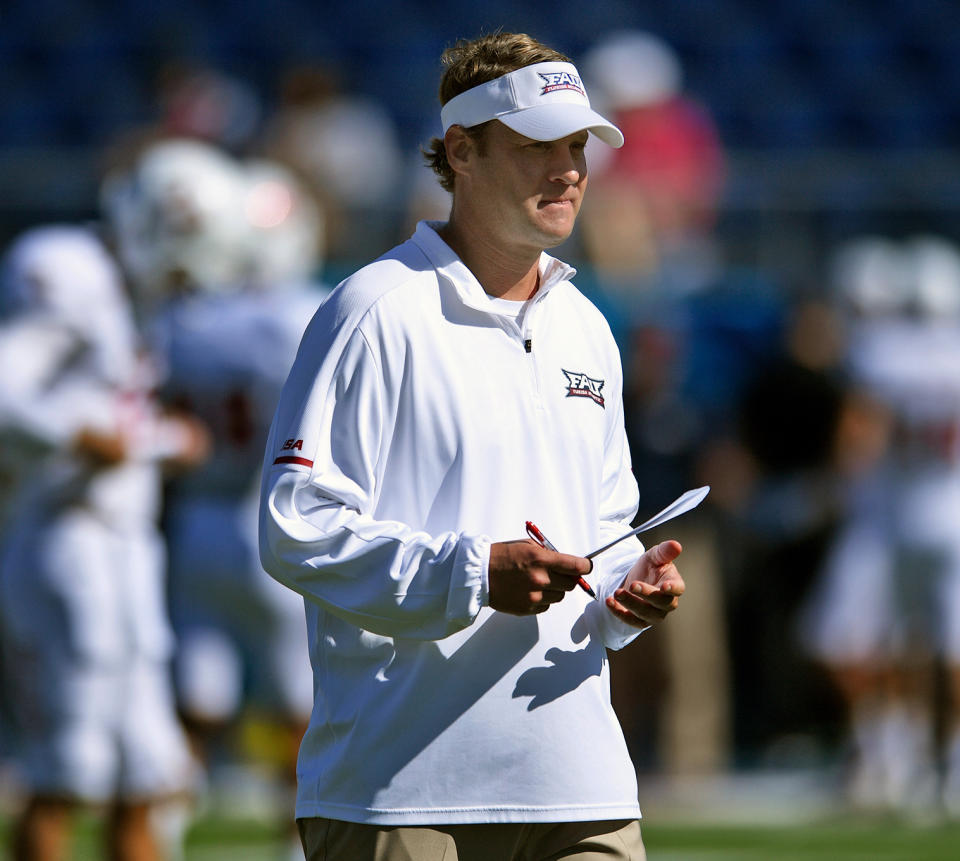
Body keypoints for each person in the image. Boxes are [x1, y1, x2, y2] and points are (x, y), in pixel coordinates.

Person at [259, 32, 687, 861]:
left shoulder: (587, 326)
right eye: (536, 146)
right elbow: (296, 526)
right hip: (401, 787)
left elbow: (604, 525)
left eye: (577, 146)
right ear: (462, 151)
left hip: (580, 779)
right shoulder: (374, 309)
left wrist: (628, 588)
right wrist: (473, 572)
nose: (567, 169)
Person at [0, 224, 206, 861]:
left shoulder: (132, 297)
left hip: (127, 549)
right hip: (66, 541)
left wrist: (160, 437)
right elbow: (6, 389)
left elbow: (111, 404)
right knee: (65, 769)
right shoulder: (69, 266)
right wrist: (73, 434)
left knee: (144, 773)